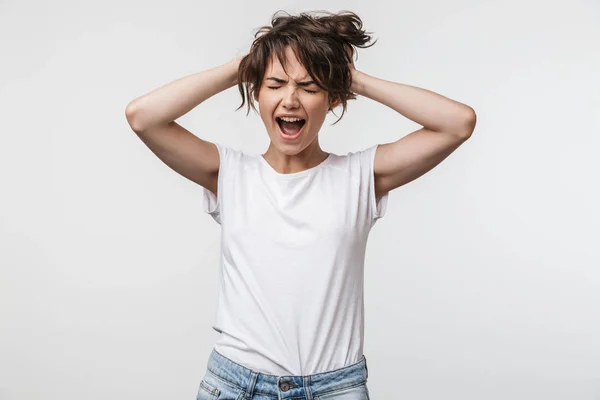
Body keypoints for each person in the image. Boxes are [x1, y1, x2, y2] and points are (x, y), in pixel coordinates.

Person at [125, 10, 476, 400]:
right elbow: (143, 117)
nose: (290, 100)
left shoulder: (361, 177)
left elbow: (458, 122)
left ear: (333, 100)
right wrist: (243, 66)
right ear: (257, 93)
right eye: (275, 84)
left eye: (309, 87)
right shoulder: (229, 174)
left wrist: (348, 75)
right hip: (235, 386)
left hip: (334, 389)